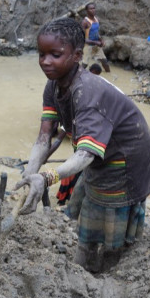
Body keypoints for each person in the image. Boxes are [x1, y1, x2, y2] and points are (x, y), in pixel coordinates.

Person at [15, 18, 150, 273]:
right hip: (101, 149)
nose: (45, 61)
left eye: (55, 55)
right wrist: (30, 173)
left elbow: (87, 155)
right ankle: (87, 259)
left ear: (77, 55)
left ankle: (108, 267)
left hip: (127, 154)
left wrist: (46, 178)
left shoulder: (87, 94)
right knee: (90, 198)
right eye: (41, 54)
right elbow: (45, 135)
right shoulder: (53, 85)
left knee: (108, 209)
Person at [56, 62, 102, 205]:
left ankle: (69, 202)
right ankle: (64, 202)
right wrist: (46, 155)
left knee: (77, 180)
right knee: (70, 178)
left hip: (87, 156)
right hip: (79, 155)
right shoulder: (71, 116)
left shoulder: (89, 115)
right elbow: (58, 139)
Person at [81, 3, 111, 73]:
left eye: (94, 8)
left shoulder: (96, 19)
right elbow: (83, 39)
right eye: (91, 9)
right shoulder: (85, 22)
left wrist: (101, 40)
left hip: (97, 46)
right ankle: (76, 77)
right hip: (88, 46)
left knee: (105, 63)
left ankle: (109, 76)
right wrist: (96, 42)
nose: (93, 10)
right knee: (84, 65)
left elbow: (96, 33)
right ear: (87, 11)